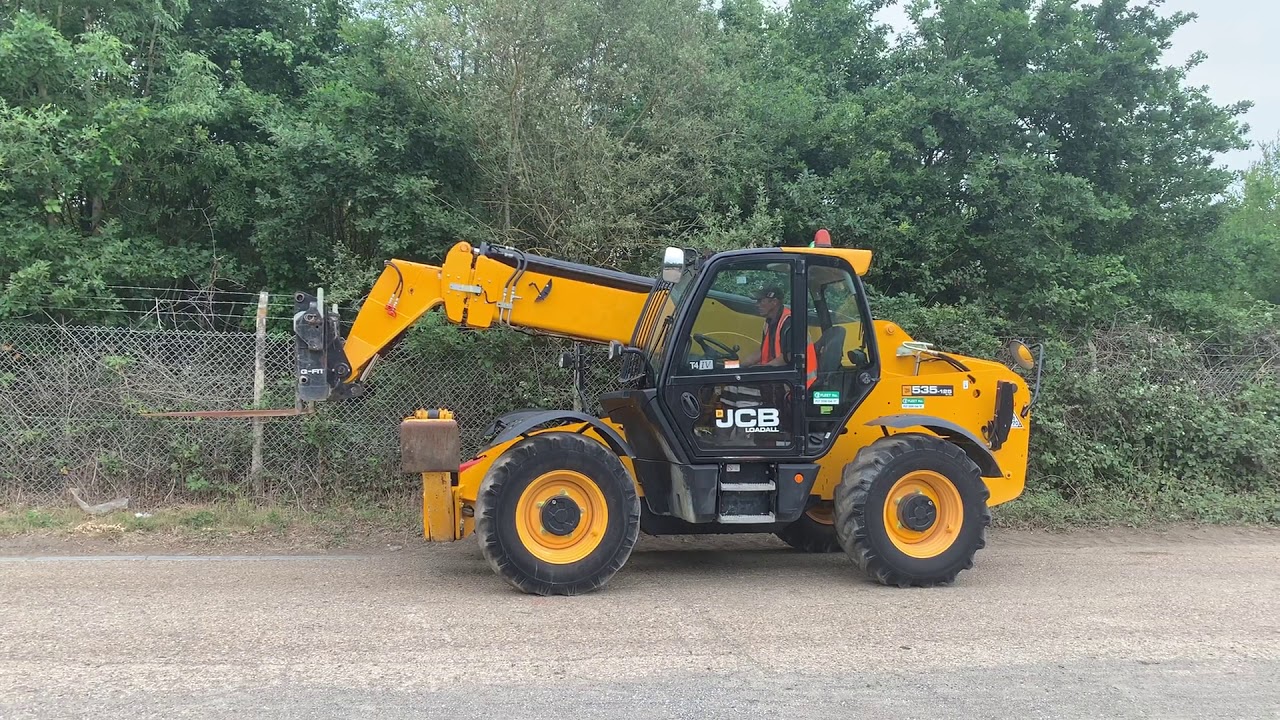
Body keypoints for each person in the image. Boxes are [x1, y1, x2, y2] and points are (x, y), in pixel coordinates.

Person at [739, 285, 817, 387]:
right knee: (736, 381)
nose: (757, 305)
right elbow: (762, 351)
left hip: (798, 382)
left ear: (774, 302)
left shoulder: (790, 323)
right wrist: (740, 366)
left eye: (761, 301)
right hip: (779, 375)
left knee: (746, 388)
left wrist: (763, 369)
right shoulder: (769, 322)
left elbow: (789, 357)